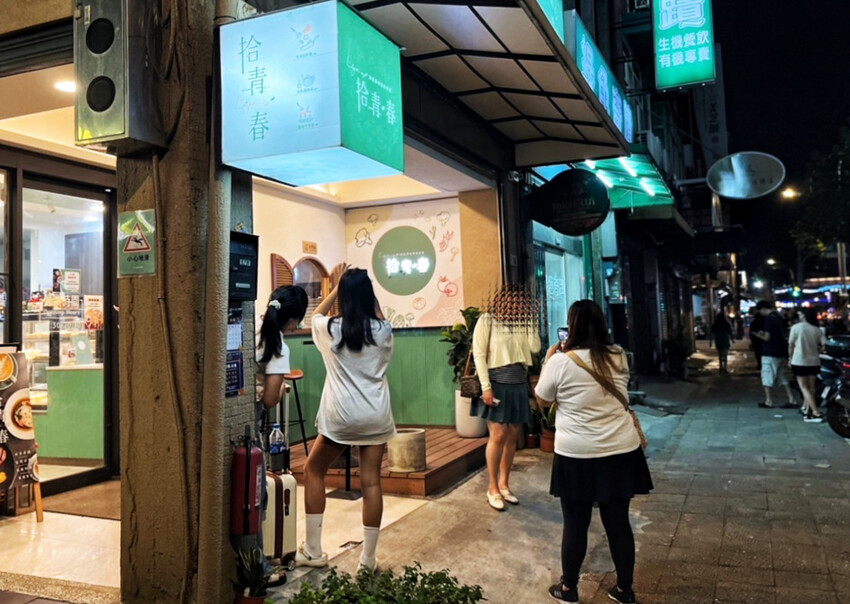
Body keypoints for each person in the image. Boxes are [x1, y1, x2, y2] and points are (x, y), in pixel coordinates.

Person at [535, 300, 652, 604]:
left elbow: (543, 400)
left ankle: (568, 589)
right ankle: (624, 590)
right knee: (618, 522)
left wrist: (549, 360)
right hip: (620, 451)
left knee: (576, 522)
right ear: (602, 325)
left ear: (571, 327)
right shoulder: (618, 356)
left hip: (577, 455)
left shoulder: (560, 362)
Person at [297, 268, 395, 572]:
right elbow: (378, 315)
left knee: (314, 470)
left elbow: (314, 316)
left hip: (340, 416)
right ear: (369, 296)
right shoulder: (383, 331)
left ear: (343, 296)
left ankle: (313, 550)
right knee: (371, 482)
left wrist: (337, 288)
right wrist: (366, 292)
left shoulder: (330, 328)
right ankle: (367, 560)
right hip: (375, 415)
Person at [254, 285, 309, 585]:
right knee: (255, 494)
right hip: (251, 421)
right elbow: (270, 399)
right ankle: (258, 569)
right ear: (293, 321)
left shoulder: (250, 327)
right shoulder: (277, 345)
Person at [471, 288, 541, 511]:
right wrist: (486, 387)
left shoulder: (522, 323)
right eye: (509, 301)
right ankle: (492, 487)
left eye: (518, 302)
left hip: (518, 384)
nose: (513, 305)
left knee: (512, 435)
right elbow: (479, 354)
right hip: (496, 384)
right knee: (498, 434)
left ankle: (504, 485)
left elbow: (535, 348)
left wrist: (530, 322)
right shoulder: (487, 321)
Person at [752, 301, 796, 409]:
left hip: (770, 351)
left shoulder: (768, 318)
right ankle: (792, 399)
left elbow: (767, 337)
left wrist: (758, 335)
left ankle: (768, 401)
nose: (760, 313)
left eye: (760, 310)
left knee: (767, 375)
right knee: (782, 376)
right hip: (780, 351)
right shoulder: (778, 317)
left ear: (763, 309)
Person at [788, 307, 826, 422]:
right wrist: (817, 350)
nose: (799, 316)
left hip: (799, 360)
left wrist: (790, 358)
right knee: (811, 387)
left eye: (800, 314)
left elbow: (791, 345)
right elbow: (824, 345)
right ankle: (806, 410)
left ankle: (815, 412)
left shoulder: (796, 327)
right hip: (814, 361)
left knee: (804, 387)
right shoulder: (817, 329)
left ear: (804, 315)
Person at [712, 308, 733, 373]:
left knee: (720, 354)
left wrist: (711, 342)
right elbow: (729, 332)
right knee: (725, 354)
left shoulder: (715, 324)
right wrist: (732, 339)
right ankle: (725, 367)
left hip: (718, 339)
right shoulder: (726, 324)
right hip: (725, 339)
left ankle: (721, 367)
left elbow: (712, 333)